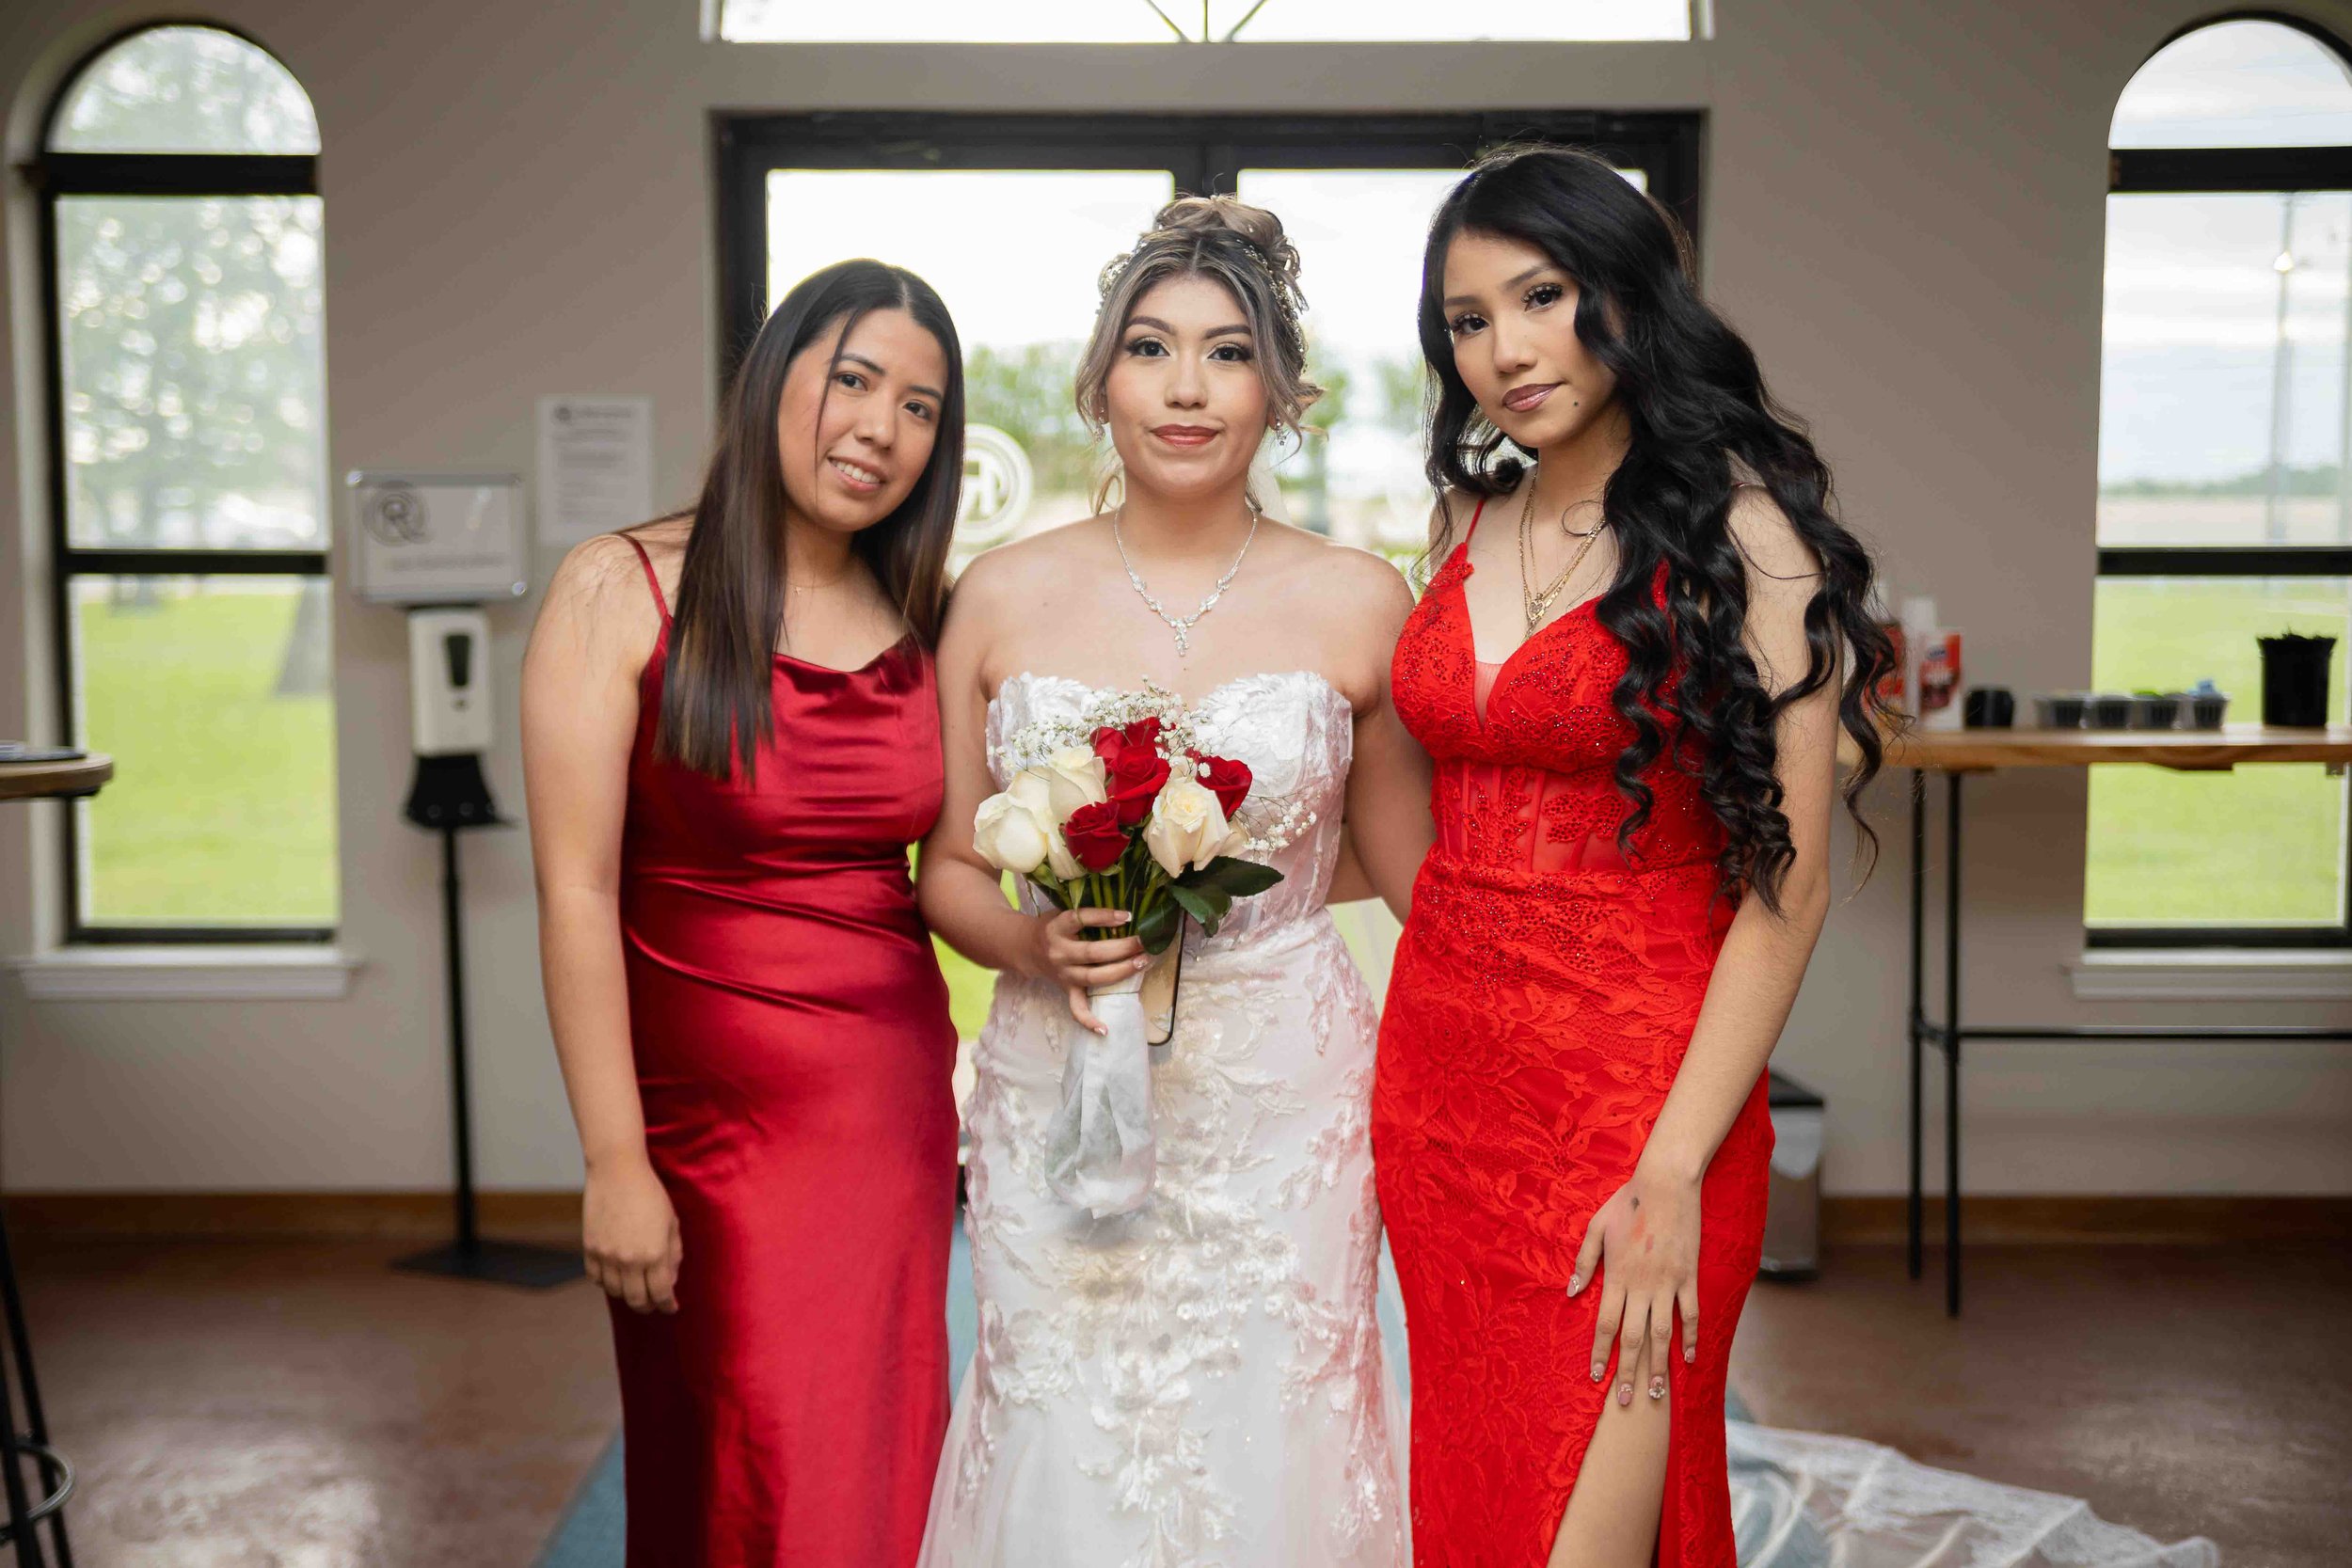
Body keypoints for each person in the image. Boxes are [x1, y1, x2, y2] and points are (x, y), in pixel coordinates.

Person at [1372, 145, 1899, 1568]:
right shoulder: (1461, 527)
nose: (1504, 349)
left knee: (1586, 1524)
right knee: (1473, 1504)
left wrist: (1673, 1169)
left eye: (1539, 295)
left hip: (1639, 1110)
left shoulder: (1747, 543)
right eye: (1467, 321)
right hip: (1441, 1094)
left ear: (1624, 291)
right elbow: (1409, 807)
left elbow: (1785, 894)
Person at [914, 196, 1430, 1567]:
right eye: (1150, 348)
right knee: (1064, 1416)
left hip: (1283, 1096)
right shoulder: (1001, 595)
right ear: (1100, 382)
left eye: (1227, 351)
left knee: (1282, 1415)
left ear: (1283, 390)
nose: (1187, 387)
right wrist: (1035, 951)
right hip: (1055, 1071)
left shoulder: (1362, 597)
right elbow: (953, 871)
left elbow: (1404, 870)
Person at [520, 259, 967, 1568]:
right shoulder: (621, 588)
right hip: (704, 1134)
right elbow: (573, 891)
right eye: (854, 380)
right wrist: (613, 1160)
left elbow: (949, 875)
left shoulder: (924, 619)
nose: (882, 427)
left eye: (924, 407)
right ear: (775, 379)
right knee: (736, 1466)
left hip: (888, 1119)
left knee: (876, 1469)